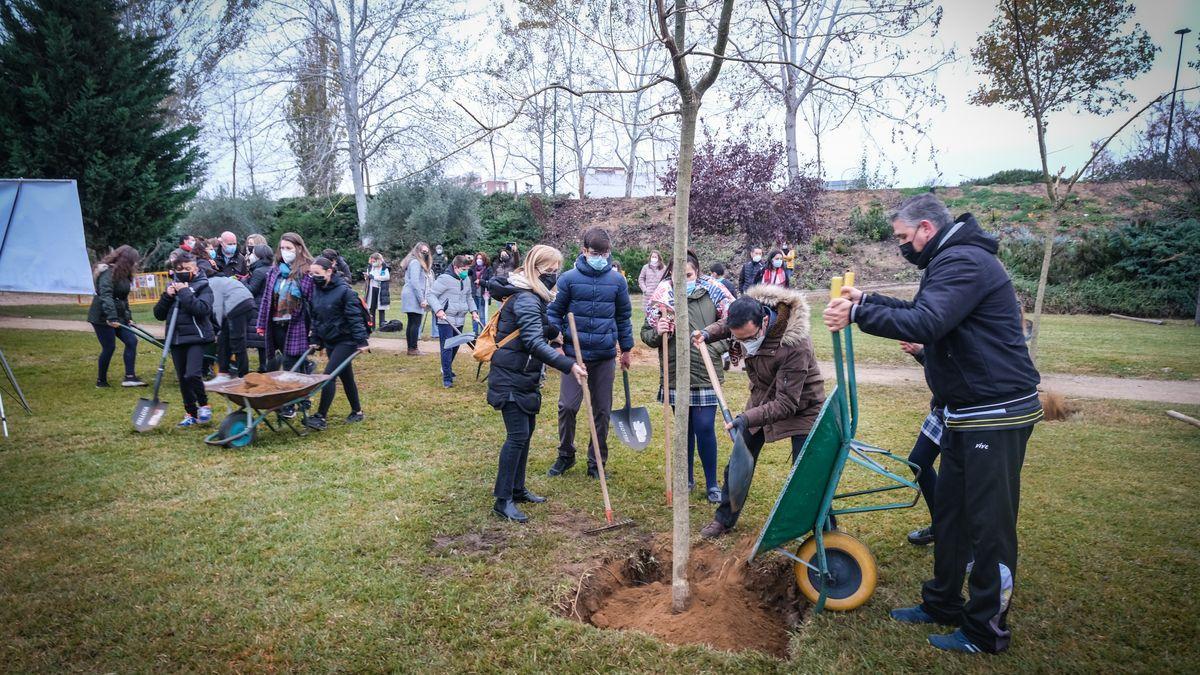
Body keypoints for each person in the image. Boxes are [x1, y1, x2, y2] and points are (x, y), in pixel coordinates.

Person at [822, 193, 1042, 655]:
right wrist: (870, 299)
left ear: (926, 228)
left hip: (995, 414)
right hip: (962, 412)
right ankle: (943, 601)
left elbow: (927, 321)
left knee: (989, 527)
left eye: (903, 237)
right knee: (952, 515)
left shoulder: (963, 261)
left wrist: (859, 313)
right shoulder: (949, 259)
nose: (902, 246)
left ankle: (986, 630)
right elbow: (926, 314)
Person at [692, 286, 825, 538]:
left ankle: (823, 527)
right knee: (739, 460)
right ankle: (724, 519)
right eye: (737, 338)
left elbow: (787, 404)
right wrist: (707, 334)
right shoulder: (746, 315)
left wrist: (744, 419)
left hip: (802, 407)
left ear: (764, 321)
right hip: (762, 398)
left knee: (807, 472)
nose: (742, 344)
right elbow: (726, 325)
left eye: (748, 338)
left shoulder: (795, 345)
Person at [486, 244, 588, 523]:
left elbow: (539, 326)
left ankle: (517, 489)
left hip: (523, 375)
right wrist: (569, 366)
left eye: (557, 270)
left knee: (526, 431)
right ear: (536, 269)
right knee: (517, 436)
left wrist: (555, 332)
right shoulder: (527, 299)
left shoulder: (531, 296)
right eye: (550, 271)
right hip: (511, 376)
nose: (554, 276)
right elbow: (532, 341)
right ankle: (502, 499)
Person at [641, 251, 730, 503]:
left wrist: (713, 348)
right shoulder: (661, 296)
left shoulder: (715, 292)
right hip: (675, 373)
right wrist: (658, 332)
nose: (683, 279)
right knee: (684, 430)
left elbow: (732, 327)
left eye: (688, 275)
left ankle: (712, 484)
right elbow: (646, 334)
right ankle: (687, 478)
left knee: (703, 427)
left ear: (697, 272)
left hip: (705, 371)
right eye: (678, 275)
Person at [546, 227, 634, 479]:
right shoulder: (568, 279)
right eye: (596, 252)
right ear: (584, 251)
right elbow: (553, 314)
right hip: (574, 355)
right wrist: (556, 343)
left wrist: (626, 349)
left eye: (605, 253)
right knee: (567, 406)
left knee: (602, 411)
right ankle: (565, 454)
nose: (600, 257)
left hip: (604, 355)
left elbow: (623, 317)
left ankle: (596, 461)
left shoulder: (617, 282)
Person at [303, 257, 370, 431]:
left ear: (329, 271)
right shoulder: (317, 290)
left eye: (317, 273)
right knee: (346, 376)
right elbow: (316, 317)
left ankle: (320, 416)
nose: (313, 276)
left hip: (346, 340)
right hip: (330, 340)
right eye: (311, 273)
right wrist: (315, 339)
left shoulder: (344, 291)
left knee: (328, 376)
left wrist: (361, 341)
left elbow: (354, 318)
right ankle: (357, 411)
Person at [153, 253, 216, 427]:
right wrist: (167, 296)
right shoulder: (171, 287)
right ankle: (191, 412)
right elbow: (158, 314)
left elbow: (202, 310)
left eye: (188, 269)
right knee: (183, 378)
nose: (183, 272)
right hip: (176, 339)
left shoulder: (203, 286)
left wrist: (184, 292)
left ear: (195, 269)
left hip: (197, 337)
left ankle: (204, 405)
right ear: (174, 270)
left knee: (192, 374)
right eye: (179, 269)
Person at [255, 232, 315, 386]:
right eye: (282, 248)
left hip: (297, 324)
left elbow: (313, 302)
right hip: (276, 324)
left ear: (299, 248)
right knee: (295, 363)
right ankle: (303, 399)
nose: (285, 251)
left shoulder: (307, 272)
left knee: (290, 364)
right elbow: (267, 299)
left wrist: (314, 328)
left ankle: (288, 406)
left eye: (289, 247)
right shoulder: (275, 271)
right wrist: (261, 324)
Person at [901, 340, 941, 547]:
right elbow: (943, 364)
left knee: (963, 480)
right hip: (943, 408)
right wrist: (921, 353)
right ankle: (941, 526)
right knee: (919, 460)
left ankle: (966, 543)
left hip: (966, 413)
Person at [88, 245, 146, 388]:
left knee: (131, 341)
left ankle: (130, 377)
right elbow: (106, 296)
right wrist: (111, 317)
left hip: (117, 316)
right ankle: (101, 381)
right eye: (134, 260)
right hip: (102, 316)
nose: (136, 263)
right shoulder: (107, 272)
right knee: (109, 347)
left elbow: (123, 298)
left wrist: (128, 318)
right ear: (126, 260)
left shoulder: (124, 274)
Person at [428, 254, 480, 388]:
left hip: (460, 318)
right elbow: (431, 295)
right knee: (447, 347)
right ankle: (447, 378)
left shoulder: (466, 279)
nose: (465, 272)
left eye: (467, 269)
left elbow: (469, 297)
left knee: (456, 346)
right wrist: (438, 309)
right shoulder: (444, 279)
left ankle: (446, 368)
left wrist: (474, 311)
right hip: (445, 318)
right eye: (463, 269)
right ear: (455, 267)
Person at [207, 275, 256, 382]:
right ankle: (223, 374)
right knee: (223, 341)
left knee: (237, 341)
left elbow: (217, 307)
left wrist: (218, 329)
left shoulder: (211, 283)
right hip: (248, 303)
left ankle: (244, 376)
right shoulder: (222, 279)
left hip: (238, 306)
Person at [243, 243, 273, 371]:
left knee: (259, 338)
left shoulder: (259, 271)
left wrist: (243, 281)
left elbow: (251, 290)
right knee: (264, 340)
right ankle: (264, 365)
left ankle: (263, 366)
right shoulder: (272, 268)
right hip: (268, 305)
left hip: (258, 306)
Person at [399, 242, 433, 356]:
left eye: (426, 251)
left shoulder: (414, 262)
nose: (425, 254)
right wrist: (421, 299)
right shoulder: (415, 263)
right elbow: (415, 282)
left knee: (412, 322)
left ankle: (411, 348)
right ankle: (413, 348)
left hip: (410, 294)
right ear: (417, 251)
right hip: (413, 295)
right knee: (415, 322)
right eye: (423, 252)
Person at [364, 252, 391, 328]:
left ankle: (382, 325)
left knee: (381, 308)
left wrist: (374, 277)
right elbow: (368, 277)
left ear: (378, 260)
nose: (372, 263)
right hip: (372, 289)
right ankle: (372, 326)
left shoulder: (384, 267)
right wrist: (367, 277)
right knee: (372, 308)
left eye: (374, 261)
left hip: (381, 289)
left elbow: (386, 277)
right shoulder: (370, 267)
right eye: (371, 261)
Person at [469, 251, 491, 324]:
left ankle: (482, 332)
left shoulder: (488, 269)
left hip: (483, 294)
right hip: (474, 293)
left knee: (482, 315)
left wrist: (480, 281)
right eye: (477, 258)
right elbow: (467, 275)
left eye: (481, 258)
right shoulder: (472, 268)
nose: (479, 260)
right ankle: (475, 333)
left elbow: (490, 282)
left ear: (484, 259)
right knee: (475, 314)